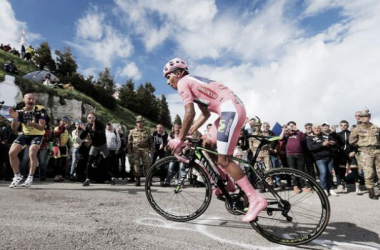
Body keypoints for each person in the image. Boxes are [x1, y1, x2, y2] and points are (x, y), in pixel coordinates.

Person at [163, 57, 267, 222]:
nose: (168, 82)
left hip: (229, 110)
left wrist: (180, 138)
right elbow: (204, 114)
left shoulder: (183, 82)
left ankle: (255, 198)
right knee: (207, 143)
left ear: (177, 73)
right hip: (229, 109)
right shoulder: (193, 83)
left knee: (224, 160)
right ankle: (227, 183)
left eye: (168, 77)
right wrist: (189, 132)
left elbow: (189, 113)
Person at [8, 93, 47, 187]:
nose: (31, 101)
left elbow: (42, 127)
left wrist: (34, 124)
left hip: (37, 135)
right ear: (24, 100)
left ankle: (30, 177)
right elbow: (14, 128)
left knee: (32, 153)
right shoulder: (20, 111)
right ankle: (17, 175)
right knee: (12, 153)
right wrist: (15, 118)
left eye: (33, 99)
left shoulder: (40, 110)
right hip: (25, 135)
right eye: (29, 99)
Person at [349, 109, 380, 200]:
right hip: (365, 152)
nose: (362, 118)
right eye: (361, 116)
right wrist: (361, 146)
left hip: (377, 151)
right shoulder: (356, 129)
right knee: (369, 172)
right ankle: (371, 191)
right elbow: (351, 141)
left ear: (369, 117)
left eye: (364, 116)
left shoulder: (376, 128)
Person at [79, 111, 111, 186]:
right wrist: (83, 130)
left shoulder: (100, 124)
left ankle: (111, 177)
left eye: (93, 117)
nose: (91, 119)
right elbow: (82, 137)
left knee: (107, 160)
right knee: (89, 161)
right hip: (95, 145)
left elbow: (101, 135)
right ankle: (87, 179)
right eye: (89, 118)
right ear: (87, 119)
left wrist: (94, 131)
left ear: (95, 118)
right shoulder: (87, 125)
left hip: (103, 144)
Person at [279, 121, 311, 193]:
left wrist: (297, 130)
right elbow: (280, 138)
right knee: (293, 171)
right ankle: (295, 186)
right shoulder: (286, 134)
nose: (291, 127)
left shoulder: (299, 133)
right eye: (290, 125)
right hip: (290, 155)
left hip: (300, 154)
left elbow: (303, 139)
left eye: (293, 125)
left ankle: (303, 186)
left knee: (301, 171)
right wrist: (283, 130)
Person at [332, 120, 363, 195]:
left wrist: (354, 151)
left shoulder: (351, 133)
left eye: (345, 125)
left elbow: (356, 143)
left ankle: (357, 188)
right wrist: (333, 132)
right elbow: (334, 139)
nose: (343, 127)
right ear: (340, 126)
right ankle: (344, 187)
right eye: (342, 125)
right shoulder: (338, 134)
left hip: (350, 154)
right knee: (342, 171)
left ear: (348, 126)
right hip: (342, 154)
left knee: (354, 170)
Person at [307, 124, 338, 196]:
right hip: (319, 158)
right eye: (315, 128)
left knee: (330, 174)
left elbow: (334, 142)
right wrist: (321, 144)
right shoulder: (310, 138)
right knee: (323, 173)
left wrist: (332, 143)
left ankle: (330, 188)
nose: (317, 129)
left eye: (318, 128)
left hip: (329, 157)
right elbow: (311, 147)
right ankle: (324, 189)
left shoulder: (326, 135)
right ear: (312, 130)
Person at [128, 115, 152, 186]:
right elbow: (129, 141)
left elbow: (150, 140)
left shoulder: (147, 130)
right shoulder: (132, 131)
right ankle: (137, 179)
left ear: (143, 123)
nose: (140, 123)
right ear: (136, 123)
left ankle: (148, 180)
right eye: (138, 122)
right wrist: (129, 150)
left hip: (145, 149)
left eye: (141, 122)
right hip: (136, 149)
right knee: (136, 165)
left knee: (147, 164)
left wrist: (151, 148)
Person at [53, 117, 71, 181]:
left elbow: (68, 139)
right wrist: (63, 127)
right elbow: (56, 134)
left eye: (66, 121)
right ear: (60, 122)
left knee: (63, 161)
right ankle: (56, 175)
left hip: (63, 146)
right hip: (57, 146)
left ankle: (60, 175)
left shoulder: (67, 130)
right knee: (57, 161)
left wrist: (69, 148)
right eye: (63, 121)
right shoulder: (57, 128)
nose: (64, 122)